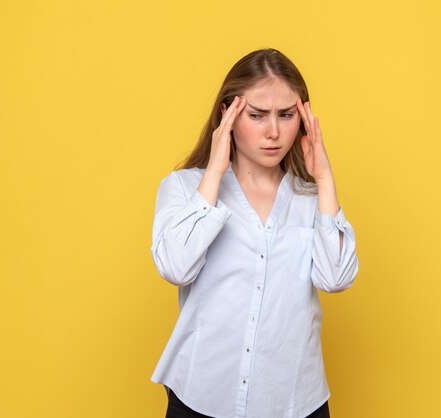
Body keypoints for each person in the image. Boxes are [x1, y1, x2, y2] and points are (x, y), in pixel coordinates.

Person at [150, 48, 359, 418]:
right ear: (227, 115)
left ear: (304, 118)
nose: (274, 132)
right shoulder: (184, 188)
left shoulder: (311, 199)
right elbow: (175, 268)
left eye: (287, 115)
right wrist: (214, 172)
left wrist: (324, 178)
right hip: (201, 396)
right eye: (257, 115)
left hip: (294, 402)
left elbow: (336, 278)